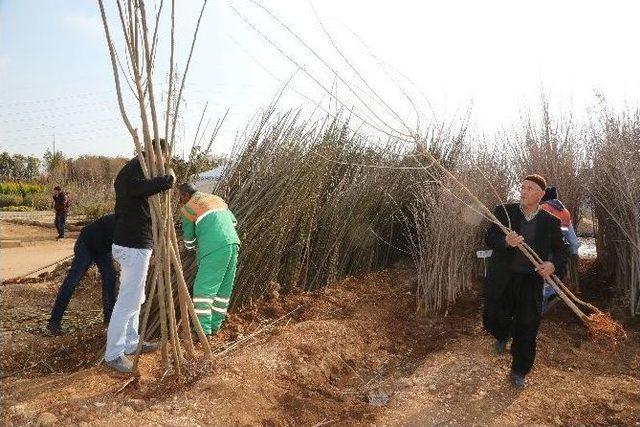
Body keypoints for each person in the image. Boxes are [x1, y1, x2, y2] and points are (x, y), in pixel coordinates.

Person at [482, 174, 567, 389]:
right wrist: (505, 241)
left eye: (529, 188)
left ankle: (519, 369)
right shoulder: (504, 212)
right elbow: (489, 237)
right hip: (504, 276)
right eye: (522, 187)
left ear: (540, 195)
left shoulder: (550, 222)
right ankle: (502, 334)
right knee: (493, 315)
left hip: (530, 280)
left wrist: (552, 265)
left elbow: (561, 251)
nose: (523, 191)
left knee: (528, 325)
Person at [104, 144, 175, 374]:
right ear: (155, 153)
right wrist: (167, 180)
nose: (163, 162)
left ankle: (131, 342)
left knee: (136, 297)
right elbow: (135, 188)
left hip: (134, 244)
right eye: (163, 157)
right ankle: (114, 353)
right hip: (132, 245)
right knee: (127, 300)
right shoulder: (134, 169)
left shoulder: (136, 169)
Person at [178, 183, 240, 337]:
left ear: (186, 195)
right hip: (233, 243)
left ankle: (202, 331)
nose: (179, 200)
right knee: (223, 288)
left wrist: (191, 249)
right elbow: (233, 222)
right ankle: (215, 326)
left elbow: (189, 242)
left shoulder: (188, 208)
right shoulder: (216, 199)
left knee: (203, 290)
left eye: (179, 196)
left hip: (214, 247)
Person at [47, 214, 118, 336]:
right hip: (86, 243)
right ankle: (54, 321)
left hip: (103, 249)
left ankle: (109, 321)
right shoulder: (126, 221)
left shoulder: (132, 222)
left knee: (110, 278)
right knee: (73, 280)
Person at [540, 186, 580, 313]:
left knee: (538, 276)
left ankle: (539, 305)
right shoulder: (565, 212)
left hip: (543, 248)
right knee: (553, 275)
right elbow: (571, 236)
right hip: (559, 250)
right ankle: (549, 295)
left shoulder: (542, 209)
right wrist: (574, 251)